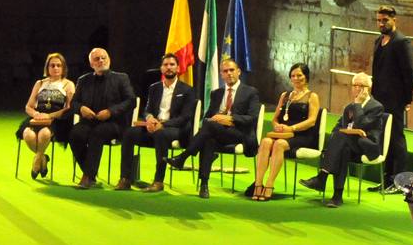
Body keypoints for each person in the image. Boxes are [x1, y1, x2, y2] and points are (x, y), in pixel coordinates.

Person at [164, 58, 260, 199]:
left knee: (208, 128)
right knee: (208, 139)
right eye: (225, 71)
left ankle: (183, 157)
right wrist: (215, 120)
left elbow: (252, 118)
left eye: (232, 70)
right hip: (217, 131)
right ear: (221, 74)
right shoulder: (216, 93)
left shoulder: (250, 92)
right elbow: (208, 116)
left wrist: (230, 119)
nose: (229, 74)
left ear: (239, 72)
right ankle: (204, 185)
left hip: (240, 133)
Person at [298, 73, 384, 208]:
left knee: (341, 138)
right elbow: (338, 127)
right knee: (343, 148)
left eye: (360, 86)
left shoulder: (376, 107)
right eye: (354, 85)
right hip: (349, 146)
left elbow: (360, 125)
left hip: (366, 146)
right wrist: (338, 135)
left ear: (368, 88)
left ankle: (322, 177)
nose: (356, 88)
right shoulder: (349, 106)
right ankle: (337, 196)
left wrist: (357, 104)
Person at [119, 53, 196, 192]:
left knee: (161, 134)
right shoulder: (154, 88)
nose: (169, 68)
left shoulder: (187, 90)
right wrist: (149, 118)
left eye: (172, 65)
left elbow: (185, 117)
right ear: (161, 69)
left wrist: (164, 124)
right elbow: (147, 110)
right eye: (165, 65)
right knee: (129, 133)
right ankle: (125, 179)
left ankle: (158, 181)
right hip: (154, 127)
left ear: (178, 68)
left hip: (175, 129)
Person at [251, 62, 322, 201]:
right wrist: (277, 125)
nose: (296, 78)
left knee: (279, 144)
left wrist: (292, 128)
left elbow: (312, 121)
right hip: (283, 133)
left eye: (299, 75)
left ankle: (270, 184)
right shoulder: (285, 95)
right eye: (293, 76)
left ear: (306, 76)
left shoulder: (312, 96)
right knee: (265, 142)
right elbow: (275, 118)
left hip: (302, 134)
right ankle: (258, 183)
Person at [69, 48, 136, 190]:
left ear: (109, 60)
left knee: (98, 132)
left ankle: (88, 176)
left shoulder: (121, 78)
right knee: (75, 134)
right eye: (96, 59)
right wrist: (81, 109)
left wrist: (110, 112)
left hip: (114, 124)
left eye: (103, 58)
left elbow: (131, 101)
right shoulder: (83, 80)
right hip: (89, 122)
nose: (100, 61)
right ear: (91, 64)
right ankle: (90, 172)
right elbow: (73, 103)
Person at [368, 5, 413, 192]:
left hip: (395, 99)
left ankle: (399, 181)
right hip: (380, 98)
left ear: (394, 20)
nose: (381, 23)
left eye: (385, 20)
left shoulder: (402, 42)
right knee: (384, 139)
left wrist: (407, 99)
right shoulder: (379, 41)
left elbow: (409, 72)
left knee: (396, 139)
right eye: (379, 20)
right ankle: (386, 179)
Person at [17, 52, 76, 180]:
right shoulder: (40, 83)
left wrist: (49, 116)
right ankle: (42, 157)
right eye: (52, 65)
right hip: (37, 117)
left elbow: (69, 108)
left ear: (63, 68)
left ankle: (36, 160)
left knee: (44, 134)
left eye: (58, 65)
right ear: (47, 67)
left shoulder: (68, 84)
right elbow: (28, 106)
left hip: (57, 119)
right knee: (27, 134)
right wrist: (36, 114)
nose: (55, 68)